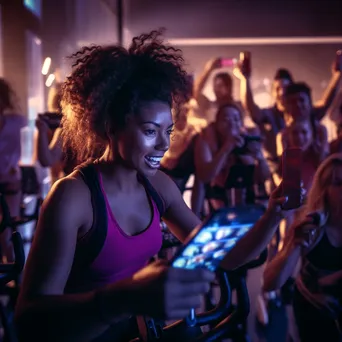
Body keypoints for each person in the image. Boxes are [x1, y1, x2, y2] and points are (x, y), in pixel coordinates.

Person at [15, 30, 289, 342]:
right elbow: (29, 320)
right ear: (112, 127)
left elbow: (226, 256)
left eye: (168, 131)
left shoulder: (158, 186)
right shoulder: (73, 196)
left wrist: (273, 216)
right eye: (150, 130)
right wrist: (121, 299)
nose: (163, 144)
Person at [263, 153, 342, 342]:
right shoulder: (312, 226)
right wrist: (293, 245)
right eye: (339, 183)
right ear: (324, 191)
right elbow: (270, 282)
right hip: (313, 320)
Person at [236, 56, 341, 178]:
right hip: (279, 178)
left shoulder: (312, 118)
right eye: (277, 89)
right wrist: (245, 80)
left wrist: (338, 74)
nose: (281, 93)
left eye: (285, 89)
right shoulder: (272, 118)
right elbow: (252, 109)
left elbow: (325, 103)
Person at [194, 103, 271, 211]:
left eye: (236, 119)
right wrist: (227, 148)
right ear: (217, 124)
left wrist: (259, 157)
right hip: (219, 204)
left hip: (249, 202)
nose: (231, 123)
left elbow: (264, 176)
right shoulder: (206, 140)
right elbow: (205, 176)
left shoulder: (248, 140)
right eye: (226, 119)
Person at [0, 78, 26, 262]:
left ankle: (15, 270)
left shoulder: (17, 121)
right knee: (8, 227)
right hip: (10, 178)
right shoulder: (17, 121)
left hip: (10, 180)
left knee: (9, 227)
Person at [193, 58, 242, 123]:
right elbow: (195, 92)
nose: (217, 89)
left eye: (221, 85)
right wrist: (208, 70)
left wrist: (244, 77)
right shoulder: (209, 106)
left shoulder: (239, 106)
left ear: (230, 86)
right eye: (217, 86)